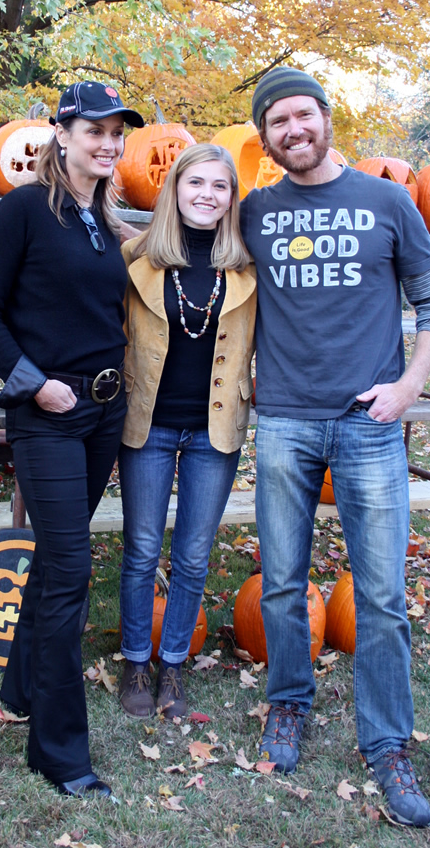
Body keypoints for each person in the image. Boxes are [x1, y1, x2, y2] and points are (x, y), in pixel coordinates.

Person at [240, 66, 430, 827]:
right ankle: (288, 703)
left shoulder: (387, 200)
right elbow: (178, 238)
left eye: (302, 115)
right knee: (281, 582)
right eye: (277, 122)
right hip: (287, 421)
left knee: (384, 597)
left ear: (326, 118)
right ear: (265, 137)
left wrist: (407, 389)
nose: (292, 130)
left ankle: (388, 739)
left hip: (370, 423)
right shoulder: (255, 211)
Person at [0, 80, 144, 799]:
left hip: (105, 411)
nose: (106, 142)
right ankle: (61, 751)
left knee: (56, 558)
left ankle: (18, 688)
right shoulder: (23, 210)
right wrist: (36, 382)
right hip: (48, 411)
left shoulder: (104, 217)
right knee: (71, 566)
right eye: (92, 130)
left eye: (115, 133)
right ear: (60, 134)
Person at [118, 143, 256, 720]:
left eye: (220, 186)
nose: (207, 194)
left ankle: (173, 663)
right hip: (147, 423)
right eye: (195, 182)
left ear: (231, 197)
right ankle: (133, 661)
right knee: (143, 550)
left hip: (214, 429)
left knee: (195, 555)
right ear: (174, 188)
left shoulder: (249, 266)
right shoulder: (135, 256)